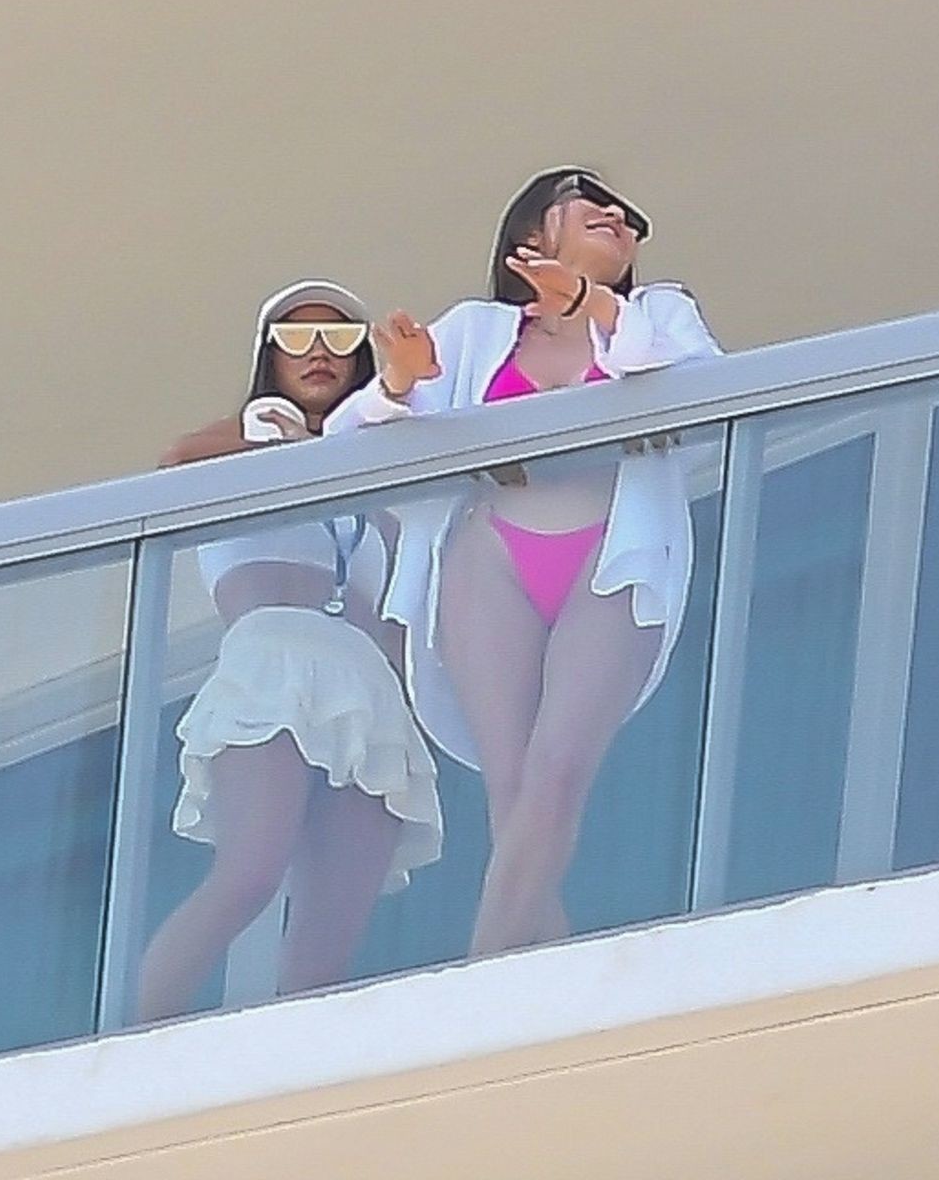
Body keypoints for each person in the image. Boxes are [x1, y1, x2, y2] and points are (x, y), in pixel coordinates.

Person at [325, 167, 721, 956]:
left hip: (611, 557)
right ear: (532, 234)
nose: (616, 215)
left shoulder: (656, 312)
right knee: (510, 790)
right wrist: (398, 382)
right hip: (491, 557)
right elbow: (348, 445)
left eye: (628, 215)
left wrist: (595, 309)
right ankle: (536, 968)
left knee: (558, 773)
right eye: (590, 200)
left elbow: (708, 393)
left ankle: (482, 973)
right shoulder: (477, 329)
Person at [137, 278, 444, 1022]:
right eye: (296, 338)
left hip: (366, 687)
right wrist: (285, 441)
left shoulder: (373, 466)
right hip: (275, 658)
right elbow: (176, 460)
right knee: (250, 871)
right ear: (268, 356)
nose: (317, 354)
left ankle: (295, 1057)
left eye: (339, 339)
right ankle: (134, 1036)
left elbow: (410, 594)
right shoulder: (247, 445)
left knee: (333, 922)